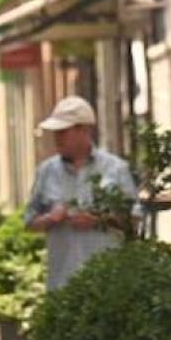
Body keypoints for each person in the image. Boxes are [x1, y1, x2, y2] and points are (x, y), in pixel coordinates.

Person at [22, 96, 138, 291]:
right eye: (55, 132)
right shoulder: (46, 171)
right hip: (62, 285)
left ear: (84, 130)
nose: (57, 137)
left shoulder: (116, 169)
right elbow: (28, 222)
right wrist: (51, 218)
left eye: (63, 131)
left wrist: (99, 220)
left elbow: (134, 218)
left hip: (107, 285)